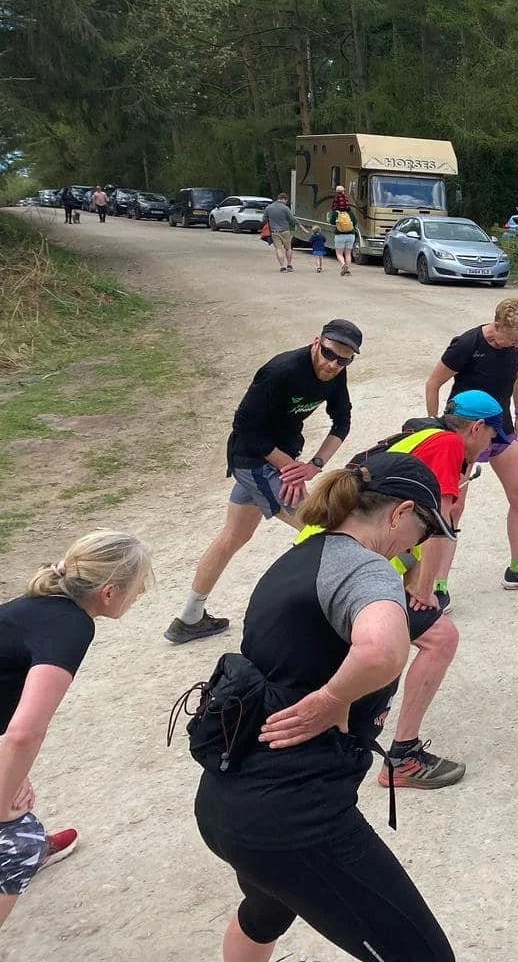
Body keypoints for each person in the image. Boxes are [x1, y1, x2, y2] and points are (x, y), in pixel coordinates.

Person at [189, 453, 456, 961]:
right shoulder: (366, 569)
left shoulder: (298, 559)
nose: (417, 545)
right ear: (399, 514)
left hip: (228, 803)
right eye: (422, 530)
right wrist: (333, 698)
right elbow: (382, 649)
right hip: (295, 818)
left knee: (264, 913)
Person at [297, 391, 508, 789]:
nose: (491, 446)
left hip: (317, 554)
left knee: (351, 650)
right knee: (439, 638)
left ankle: (337, 735)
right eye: (492, 436)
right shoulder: (447, 445)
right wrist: (425, 591)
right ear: (476, 428)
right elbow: (436, 527)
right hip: (345, 568)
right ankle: (402, 758)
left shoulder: (420, 433)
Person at [165, 320, 360, 644]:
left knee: (234, 535)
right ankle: (326, 620)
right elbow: (243, 426)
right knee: (321, 530)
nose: (332, 364)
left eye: (343, 360)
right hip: (254, 460)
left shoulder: (336, 372)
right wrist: (289, 467)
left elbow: (343, 420)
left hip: (280, 459)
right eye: (328, 353)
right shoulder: (281, 371)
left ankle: (189, 618)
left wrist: (314, 465)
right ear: (316, 342)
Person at [0, 532, 154, 929]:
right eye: (137, 588)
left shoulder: (40, 603)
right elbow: (22, 734)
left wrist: (14, 775)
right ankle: (22, 852)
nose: (138, 597)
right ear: (108, 593)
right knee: (18, 843)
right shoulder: (71, 627)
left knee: (15, 795)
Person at [423, 299, 518, 600]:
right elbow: (433, 384)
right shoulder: (467, 344)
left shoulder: (517, 344)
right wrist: (436, 430)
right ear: (497, 326)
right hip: (464, 433)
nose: (516, 344)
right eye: (512, 338)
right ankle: (437, 586)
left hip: (500, 427)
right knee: (453, 509)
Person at [263, 192, 295, 273]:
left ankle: (282, 267)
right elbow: (291, 219)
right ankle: (289, 265)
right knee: (288, 248)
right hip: (285, 231)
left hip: (274, 232)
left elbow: (264, 220)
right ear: (284, 199)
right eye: (286, 201)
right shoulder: (285, 208)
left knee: (278, 249)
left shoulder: (269, 208)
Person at [329, 186, 357, 276]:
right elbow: (355, 222)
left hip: (339, 235)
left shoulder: (336, 212)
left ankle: (343, 264)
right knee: (348, 253)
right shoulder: (350, 211)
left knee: (339, 253)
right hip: (351, 235)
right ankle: (347, 270)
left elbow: (332, 222)